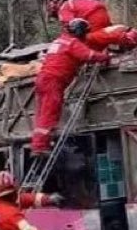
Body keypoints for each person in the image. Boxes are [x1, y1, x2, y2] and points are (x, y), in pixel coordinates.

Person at [31, 17, 111, 155]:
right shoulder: (72, 43)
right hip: (54, 80)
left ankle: (39, 143)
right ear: (80, 32)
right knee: (50, 113)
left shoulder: (59, 42)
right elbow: (89, 55)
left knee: (42, 114)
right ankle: (40, 147)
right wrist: (105, 57)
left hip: (43, 79)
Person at [48, 0, 137, 52]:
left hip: (91, 16)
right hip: (100, 11)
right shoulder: (75, 0)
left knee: (89, 38)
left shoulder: (63, 9)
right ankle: (123, 32)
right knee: (102, 35)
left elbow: (72, 25)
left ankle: (125, 37)